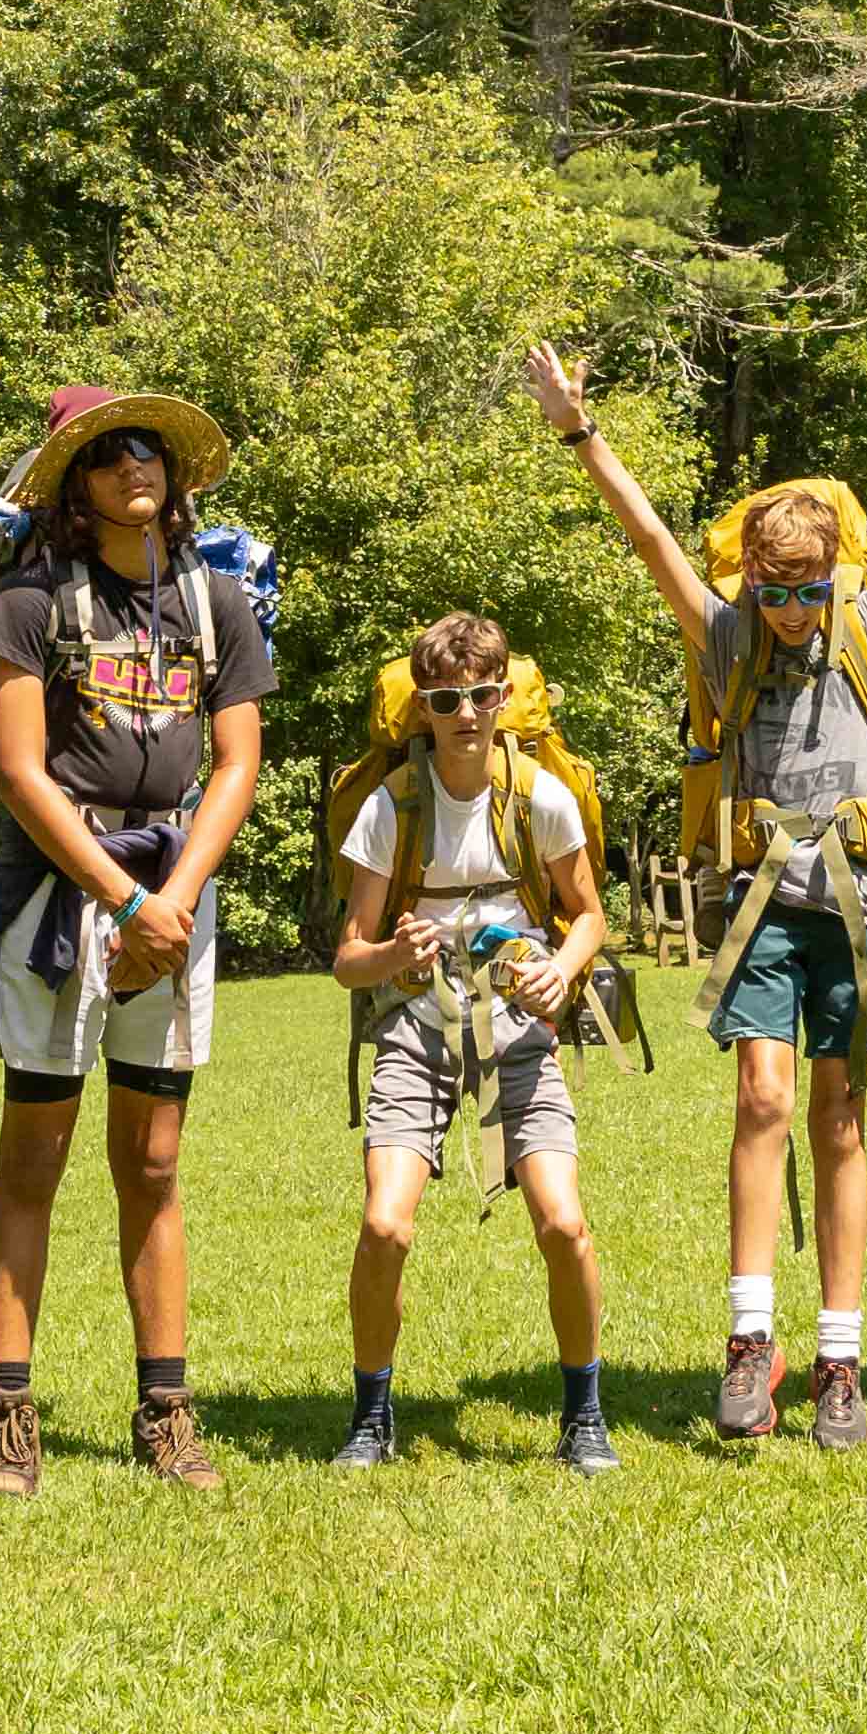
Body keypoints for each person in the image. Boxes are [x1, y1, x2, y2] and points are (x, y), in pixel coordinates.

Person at [524, 326, 867, 1450]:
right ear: (750, 582)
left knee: (839, 1117)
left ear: (835, 577)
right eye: (771, 589)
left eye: (806, 589)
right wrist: (580, 433)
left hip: (861, 912)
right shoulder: (727, 634)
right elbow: (648, 535)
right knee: (762, 1102)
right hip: (763, 905)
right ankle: (748, 1339)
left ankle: (839, 1358)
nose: (787, 608)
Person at [0, 385, 271, 1495]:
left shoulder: (217, 602)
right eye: (108, 453)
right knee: (33, 1159)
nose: (135, 464)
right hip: (61, 898)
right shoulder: (28, 602)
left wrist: (172, 899)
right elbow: (19, 771)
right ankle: (8, 1414)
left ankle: (167, 1410)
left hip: (176, 895)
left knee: (153, 1161)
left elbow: (236, 761)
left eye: (149, 449)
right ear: (74, 485)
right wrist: (127, 903)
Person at [329, 614, 617, 1472]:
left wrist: (559, 969)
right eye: (446, 700)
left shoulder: (540, 797)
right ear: (422, 707)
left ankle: (584, 1415)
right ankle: (370, 1416)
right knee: (385, 1226)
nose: (465, 714)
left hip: (519, 1036)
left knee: (564, 1225)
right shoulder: (391, 806)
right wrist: (393, 955)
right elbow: (348, 958)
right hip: (413, 1033)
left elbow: (589, 916)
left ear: (503, 699)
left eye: (482, 696)